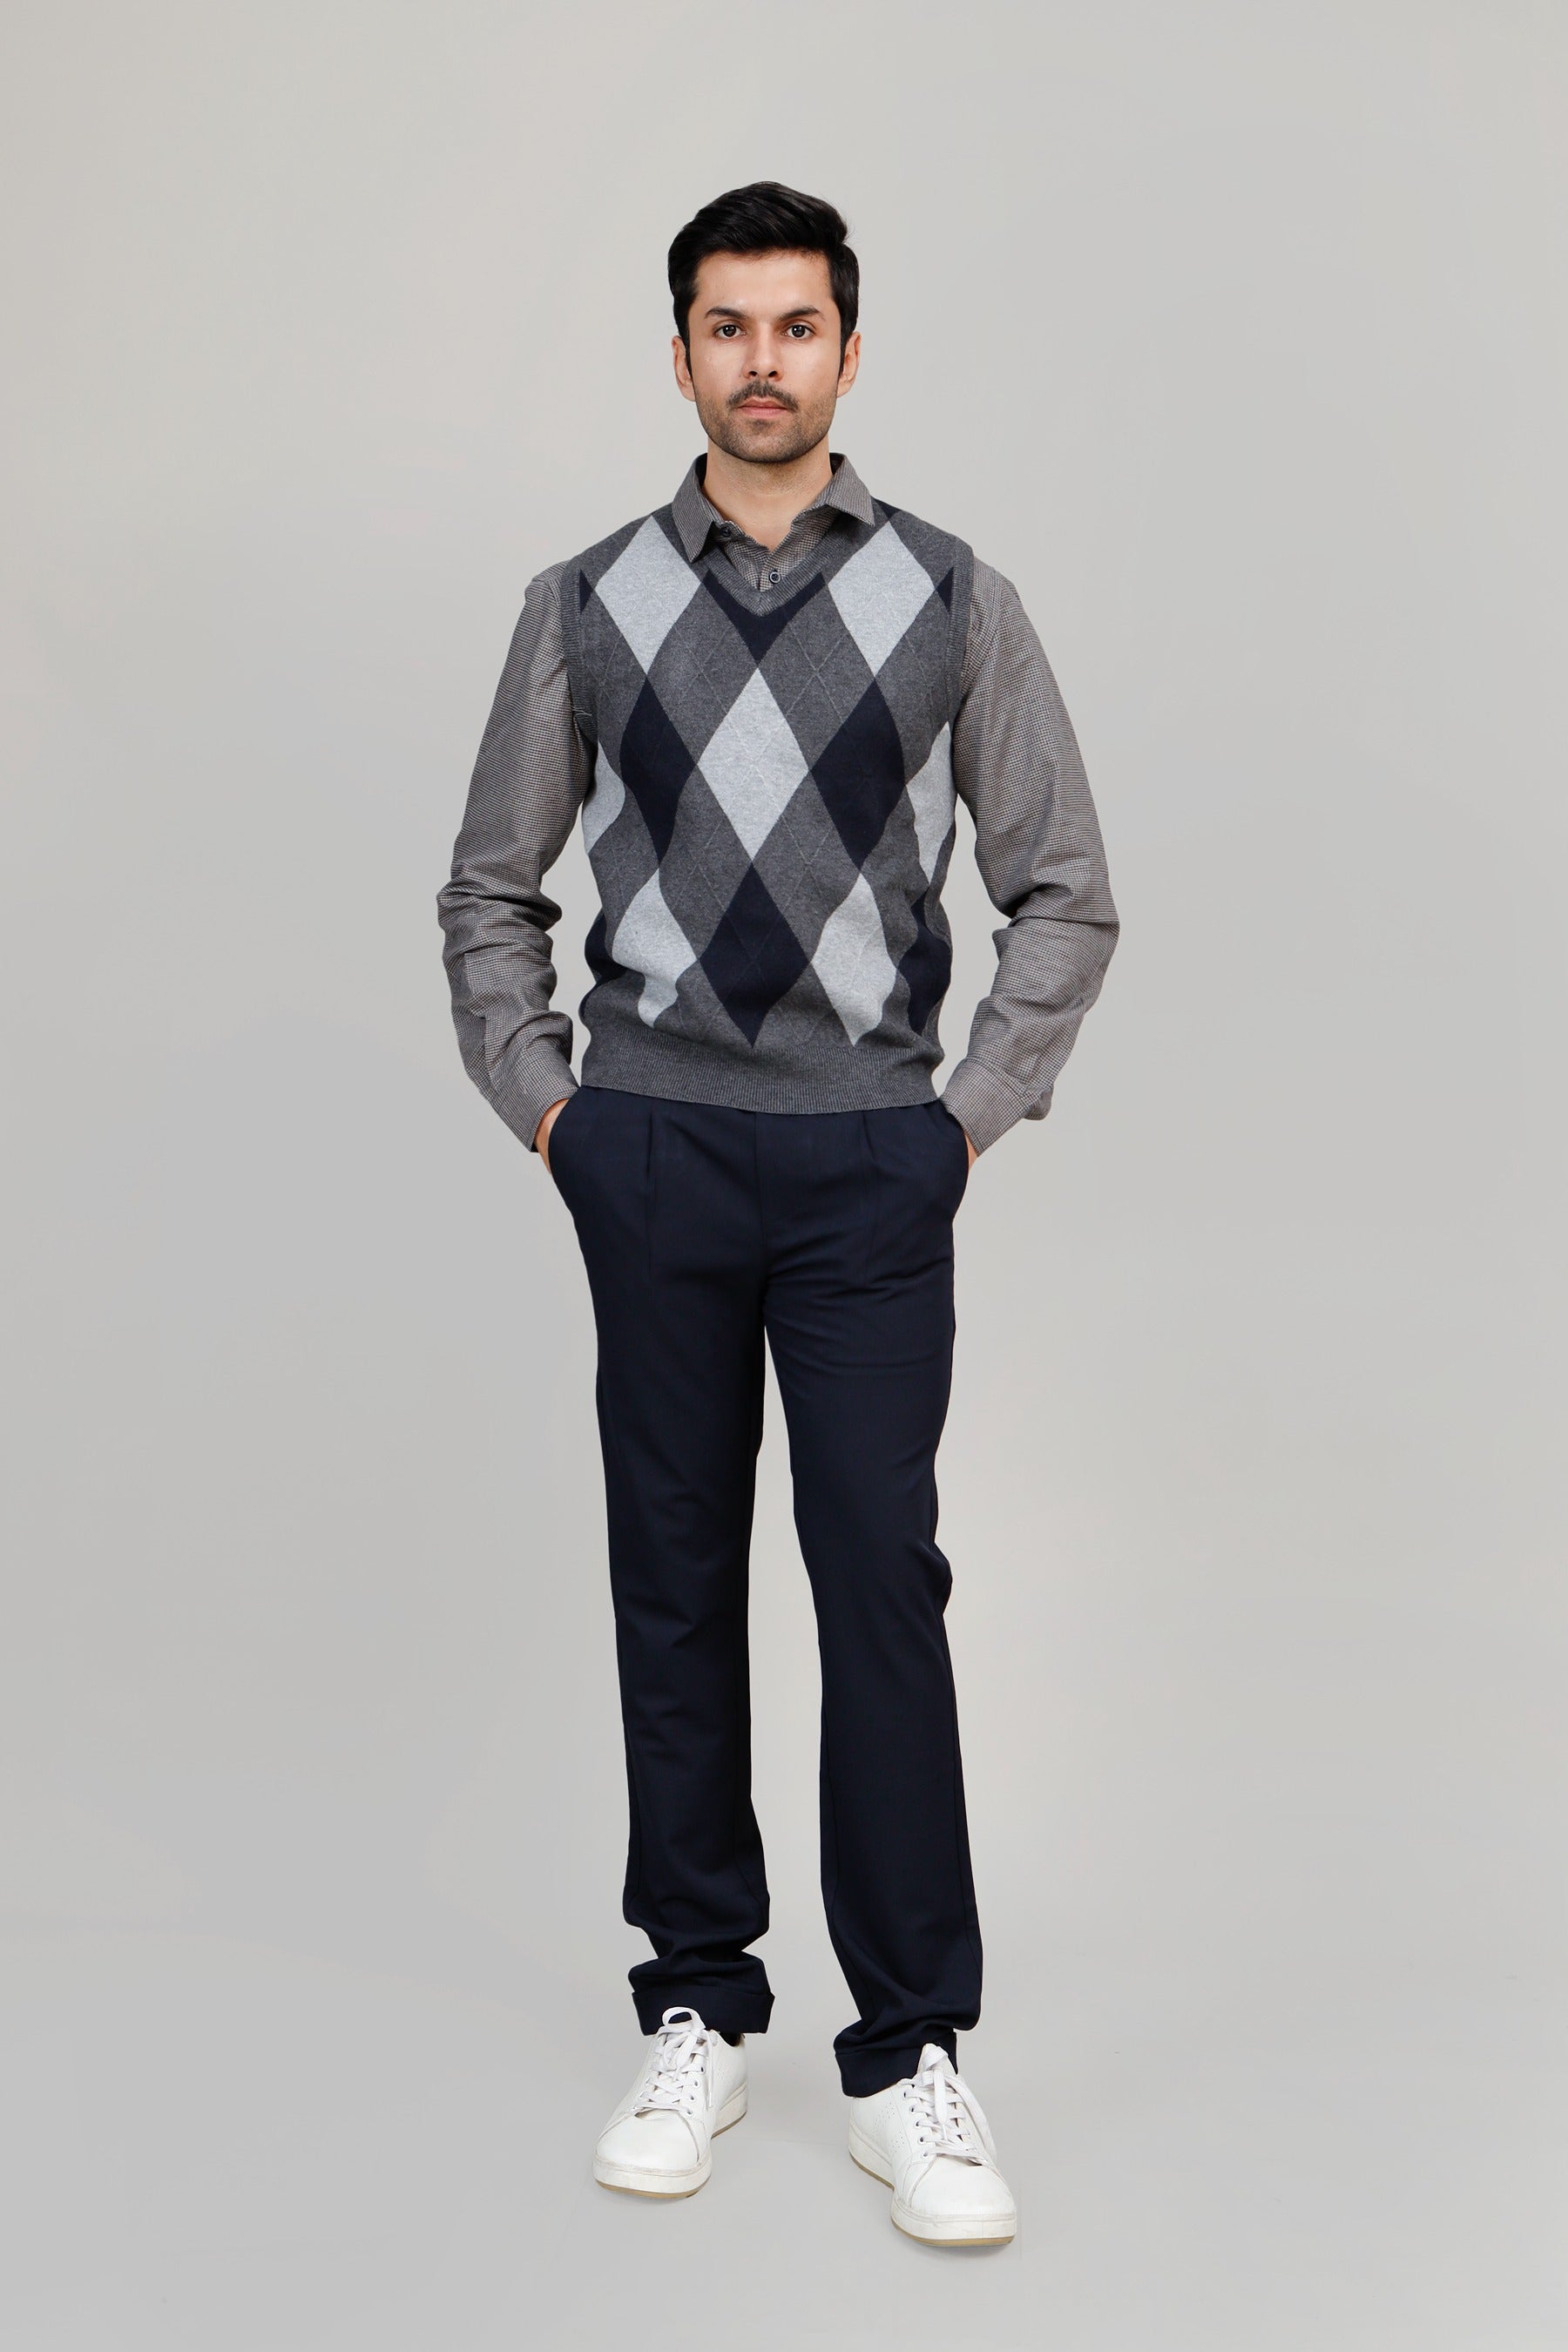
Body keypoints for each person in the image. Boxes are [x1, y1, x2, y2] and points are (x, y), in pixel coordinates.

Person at [436, 181, 1118, 2246]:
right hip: (648, 1148)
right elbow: (490, 888)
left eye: (795, 326)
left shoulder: (950, 596)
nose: (761, 361)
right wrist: (552, 1112)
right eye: (726, 327)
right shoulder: (585, 602)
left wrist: (962, 1122)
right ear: (679, 356)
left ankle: (909, 2055)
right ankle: (699, 2005)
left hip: (868, 1171)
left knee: (876, 1583)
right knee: (672, 1579)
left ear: (847, 351)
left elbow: (1065, 888)